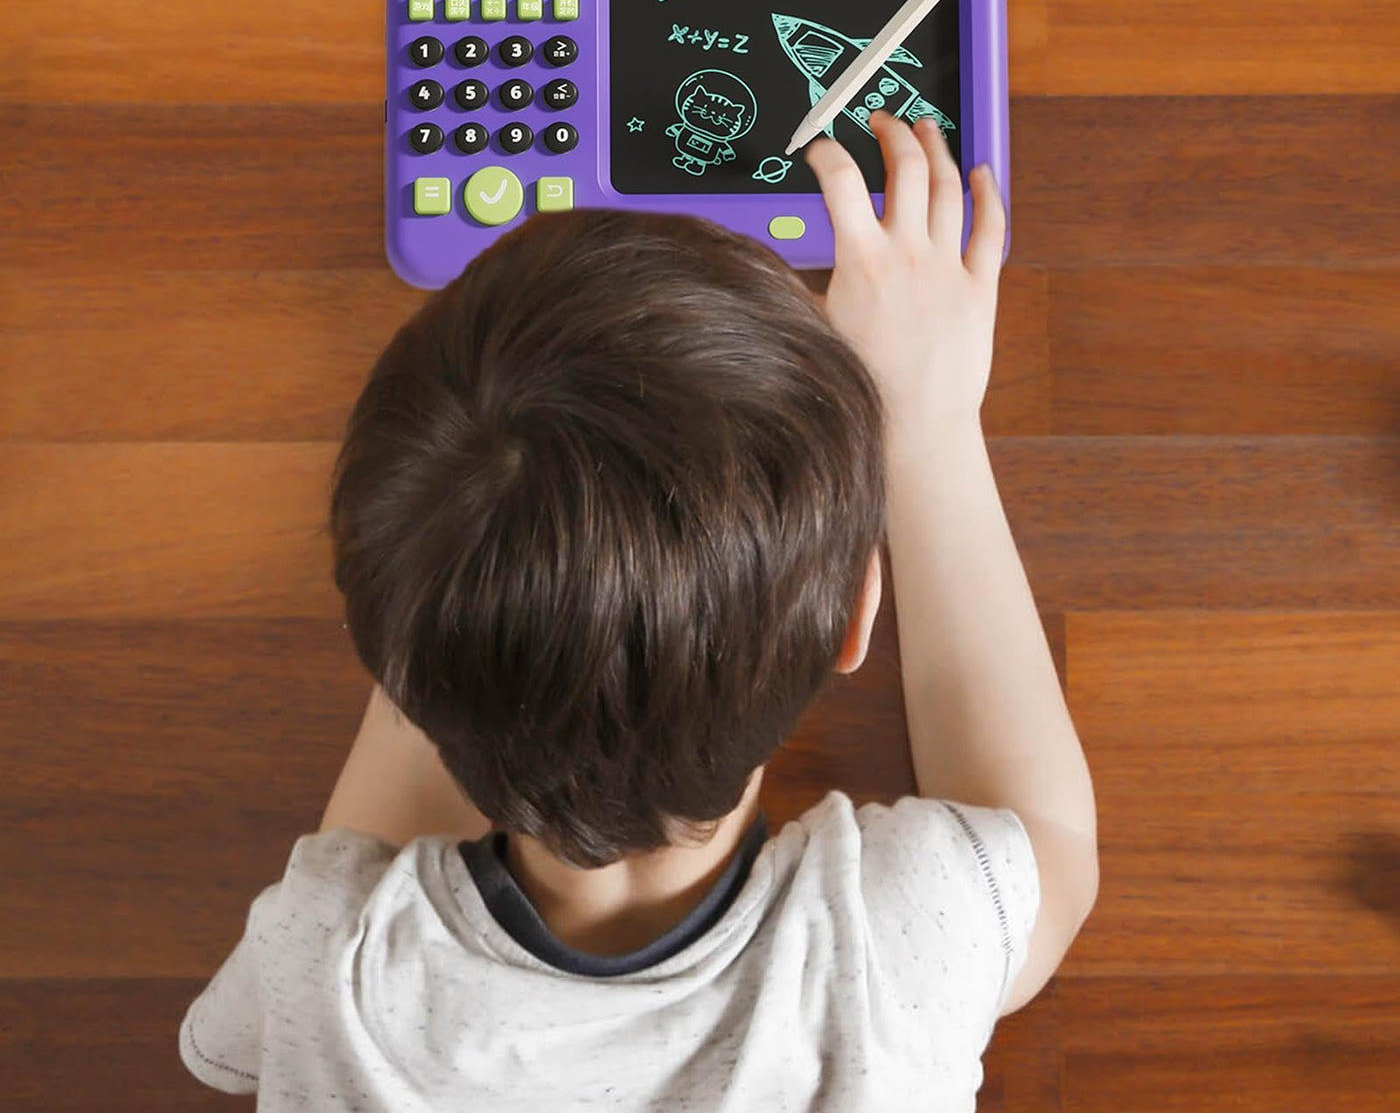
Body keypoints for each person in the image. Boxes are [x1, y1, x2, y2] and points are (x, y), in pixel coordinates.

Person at [179, 110, 1098, 1110]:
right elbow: (1047, 841)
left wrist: (473, 534)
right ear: (854, 619)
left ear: (391, 670)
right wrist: (924, 429)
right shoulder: (903, 938)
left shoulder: (327, 959)